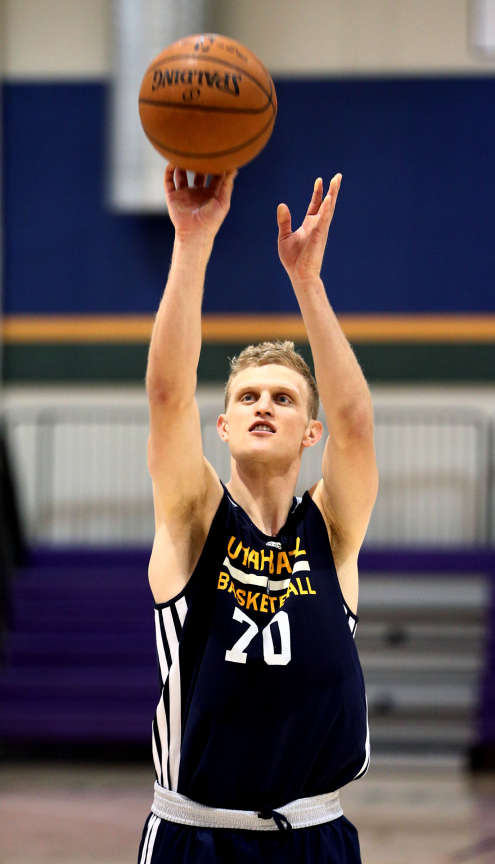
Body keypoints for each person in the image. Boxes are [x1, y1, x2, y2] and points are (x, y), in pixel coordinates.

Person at [138, 164, 378, 864]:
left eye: (281, 397)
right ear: (222, 425)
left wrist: (307, 282)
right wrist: (191, 240)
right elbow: (165, 397)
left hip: (314, 834)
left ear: (310, 432)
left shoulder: (330, 533)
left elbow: (357, 426)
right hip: (195, 836)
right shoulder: (190, 518)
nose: (263, 405)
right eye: (247, 397)